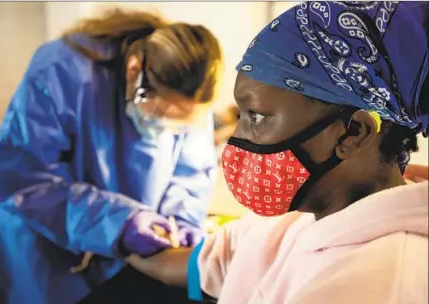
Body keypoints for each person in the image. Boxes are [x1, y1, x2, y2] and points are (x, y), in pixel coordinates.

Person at [126, 2, 429, 303]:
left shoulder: (381, 286)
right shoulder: (292, 223)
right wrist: (117, 233)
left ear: (353, 132)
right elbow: (195, 266)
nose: (236, 139)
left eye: (255, 117)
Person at [0, 9, 222, 304]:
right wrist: (121, 222)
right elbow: (28, 181)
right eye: (158, 115)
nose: (164, 131)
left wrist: (181, 220)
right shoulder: (62, 72)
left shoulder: (192, 98)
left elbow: (191, 174)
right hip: (48, 249)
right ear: (135, 70)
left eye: (179, 127)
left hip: (125, 259)